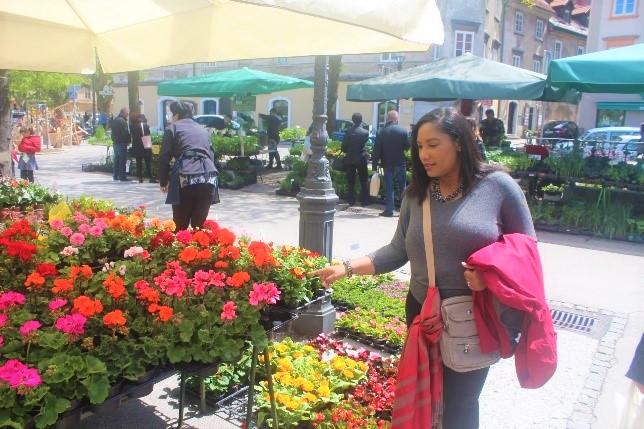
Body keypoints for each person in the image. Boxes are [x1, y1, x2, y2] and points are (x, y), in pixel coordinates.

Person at [313, 107, 536, 429]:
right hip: (422, 312)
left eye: (433, 144)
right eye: (419, 146)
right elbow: (397, 251)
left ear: (459, 142)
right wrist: (345, 267)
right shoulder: (416, 194)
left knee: (460, 404)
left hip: (474, 316)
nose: (424, 154)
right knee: (428, 397)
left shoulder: (498, 186)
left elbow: (526, 249)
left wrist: (490, 276)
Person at [158, 101, 219, 231]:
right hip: (209, 176)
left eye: (171, 114)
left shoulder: (173, 128)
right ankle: (199, 250)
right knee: (199, 227)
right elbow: (212, 154)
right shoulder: (202, 130)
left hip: (186, 175)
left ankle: (181, 249)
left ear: (176, 115)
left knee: (180, 225)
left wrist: (163, 182)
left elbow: (164, 157)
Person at [372, 110, 410, 217]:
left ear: (387, 118)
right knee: (403, 187)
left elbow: (376, 151)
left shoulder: (381, 131)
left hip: (385, 164)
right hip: (400, 163)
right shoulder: (403, 131)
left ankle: (389, 210)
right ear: (396, 119)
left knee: (389, 187)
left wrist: (374, 167)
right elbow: (407, 146)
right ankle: (404, 212)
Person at [341, 112, 370, 206]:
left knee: (350, 181)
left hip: (350, 159)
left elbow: (343, 147)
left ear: (352, 120)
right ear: (361, 120)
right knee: (363, 179)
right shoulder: (365, 132)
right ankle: (364, 200)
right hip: (361, 158)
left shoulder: (348, 131)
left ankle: (351, 199)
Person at [130, 114, 156, 183]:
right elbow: (148, 135)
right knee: (148, 162)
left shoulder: (132, 126)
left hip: (136, 146)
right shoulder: (145, 125)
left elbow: (132, 136)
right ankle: (151, 177)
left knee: (138, 162)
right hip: (145, 145)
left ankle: (140, 178)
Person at [111, 107, 131, 181]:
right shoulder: (122, 121)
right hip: (121, 143)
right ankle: (122, 177)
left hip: (115, 143)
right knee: (122, 160)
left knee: (116, 160)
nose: (127, 115)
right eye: (127, 113)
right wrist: (129, 141)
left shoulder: (115, 120)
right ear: (124, 113)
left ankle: (115, 175)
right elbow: (125, 133)